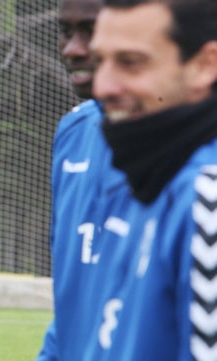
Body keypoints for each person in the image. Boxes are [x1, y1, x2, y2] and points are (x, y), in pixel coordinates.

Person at [41, 0, 217, 359]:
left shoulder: (204, 194)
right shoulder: (148, 167)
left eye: (131, 63)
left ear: (204, 66)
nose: (104, 86)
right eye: (101, 59)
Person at [35, 0, 111, 359]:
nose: (72, 50)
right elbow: (74, 296)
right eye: (66, 32)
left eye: (91, 31)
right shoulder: (73, 130)